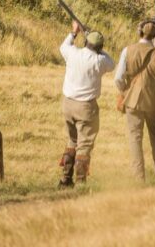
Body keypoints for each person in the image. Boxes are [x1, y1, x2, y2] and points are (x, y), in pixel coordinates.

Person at [58, 20, 114, 187]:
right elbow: (111, 62)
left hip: (67, 104)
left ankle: (65, 179)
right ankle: (81, 182)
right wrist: (98, 47)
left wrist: (74, 32)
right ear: (99, 47)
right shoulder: (99, 61)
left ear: (85, 42)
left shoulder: (73, 53)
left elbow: (64, 46)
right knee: (85, 145)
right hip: (86, 107)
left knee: (72, 141)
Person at [114, 19, 155, 181]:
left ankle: (139, 178)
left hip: (132, 101)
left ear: (139, 32)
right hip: (154, 102)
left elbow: (118, 79)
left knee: (135, 138)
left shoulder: (127, 50)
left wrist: (125, 91)